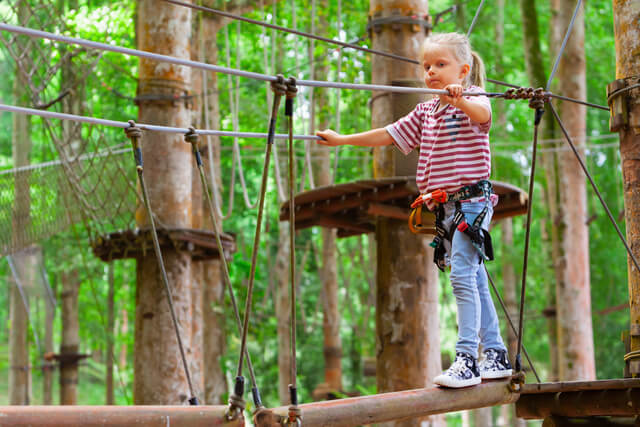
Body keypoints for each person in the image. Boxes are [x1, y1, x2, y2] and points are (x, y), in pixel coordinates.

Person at [316, 32, 511, 388]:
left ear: (463, 70)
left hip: (472, 202)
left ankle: (467, 359)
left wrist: (461, 99)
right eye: (426, 67)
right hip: (447, 208)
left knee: (462, 278)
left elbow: (483, 115)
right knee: (476, 278)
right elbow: (388, 134)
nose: (431, 72)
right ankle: (495, 353)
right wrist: (342, 139)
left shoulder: (473, 97)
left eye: (441, 65)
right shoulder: (425, 112)